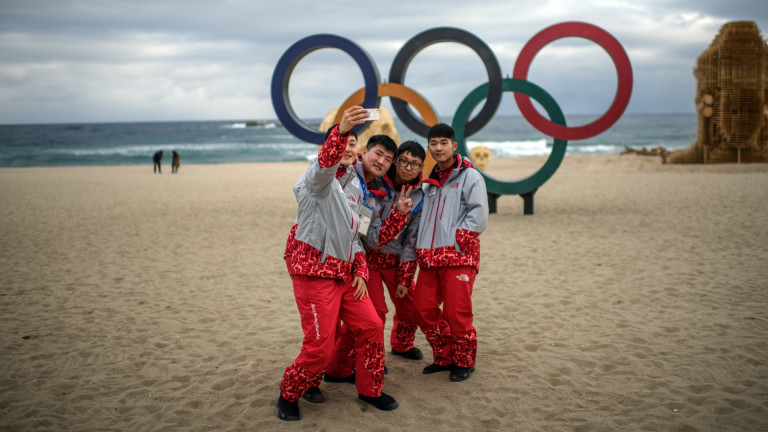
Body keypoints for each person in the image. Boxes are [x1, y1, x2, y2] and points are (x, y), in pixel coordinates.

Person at [277, 106, 398, 422]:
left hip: (344, 275)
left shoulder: (364, 195)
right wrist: (342, 132)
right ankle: (288, 394)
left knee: (371, 325)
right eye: (377, 153)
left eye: (353, 143)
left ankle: (370, 391)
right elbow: (325, 164)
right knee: (319, 348)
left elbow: (357, 239)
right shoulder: (321, 177)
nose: (380, 161)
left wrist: (359, 269)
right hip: (314, 271)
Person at [323, 134, 414, 380]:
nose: (381, 161)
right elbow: (367, 238)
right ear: (364, 151)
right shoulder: (349, 174)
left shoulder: (372, 188)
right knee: (335, 329)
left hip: (352, 259)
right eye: (378, 154)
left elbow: (362, 235)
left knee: (366, 321)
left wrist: (399, 214)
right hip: (326, 259)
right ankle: (336, 370)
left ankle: (341, 369)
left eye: (388, 158)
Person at [413, 123, 488, 382]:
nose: (438, 147)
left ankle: (464, 361)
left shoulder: (470, 175)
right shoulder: (431, 182)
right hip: (430, 259)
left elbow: (478, 212)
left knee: (457, 314)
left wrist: (458, 241)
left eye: (443, 142)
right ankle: (445, 356)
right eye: (433, 143)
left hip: (459, 257)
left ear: (453, 146)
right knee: (423, 309)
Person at [362, 140, 427, 361]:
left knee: (413, 307)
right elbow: (371, 238)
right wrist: (398, 214)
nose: (408, 168)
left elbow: (412, 240)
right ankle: (374, 355)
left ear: (421, 169)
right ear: (396, 161)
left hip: (395, 260)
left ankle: (401, 345)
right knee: (375, 313)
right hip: (369, 259)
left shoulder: (419, 197)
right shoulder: (374, 183)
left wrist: (405, 278)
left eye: (415, 164)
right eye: (404, 161)